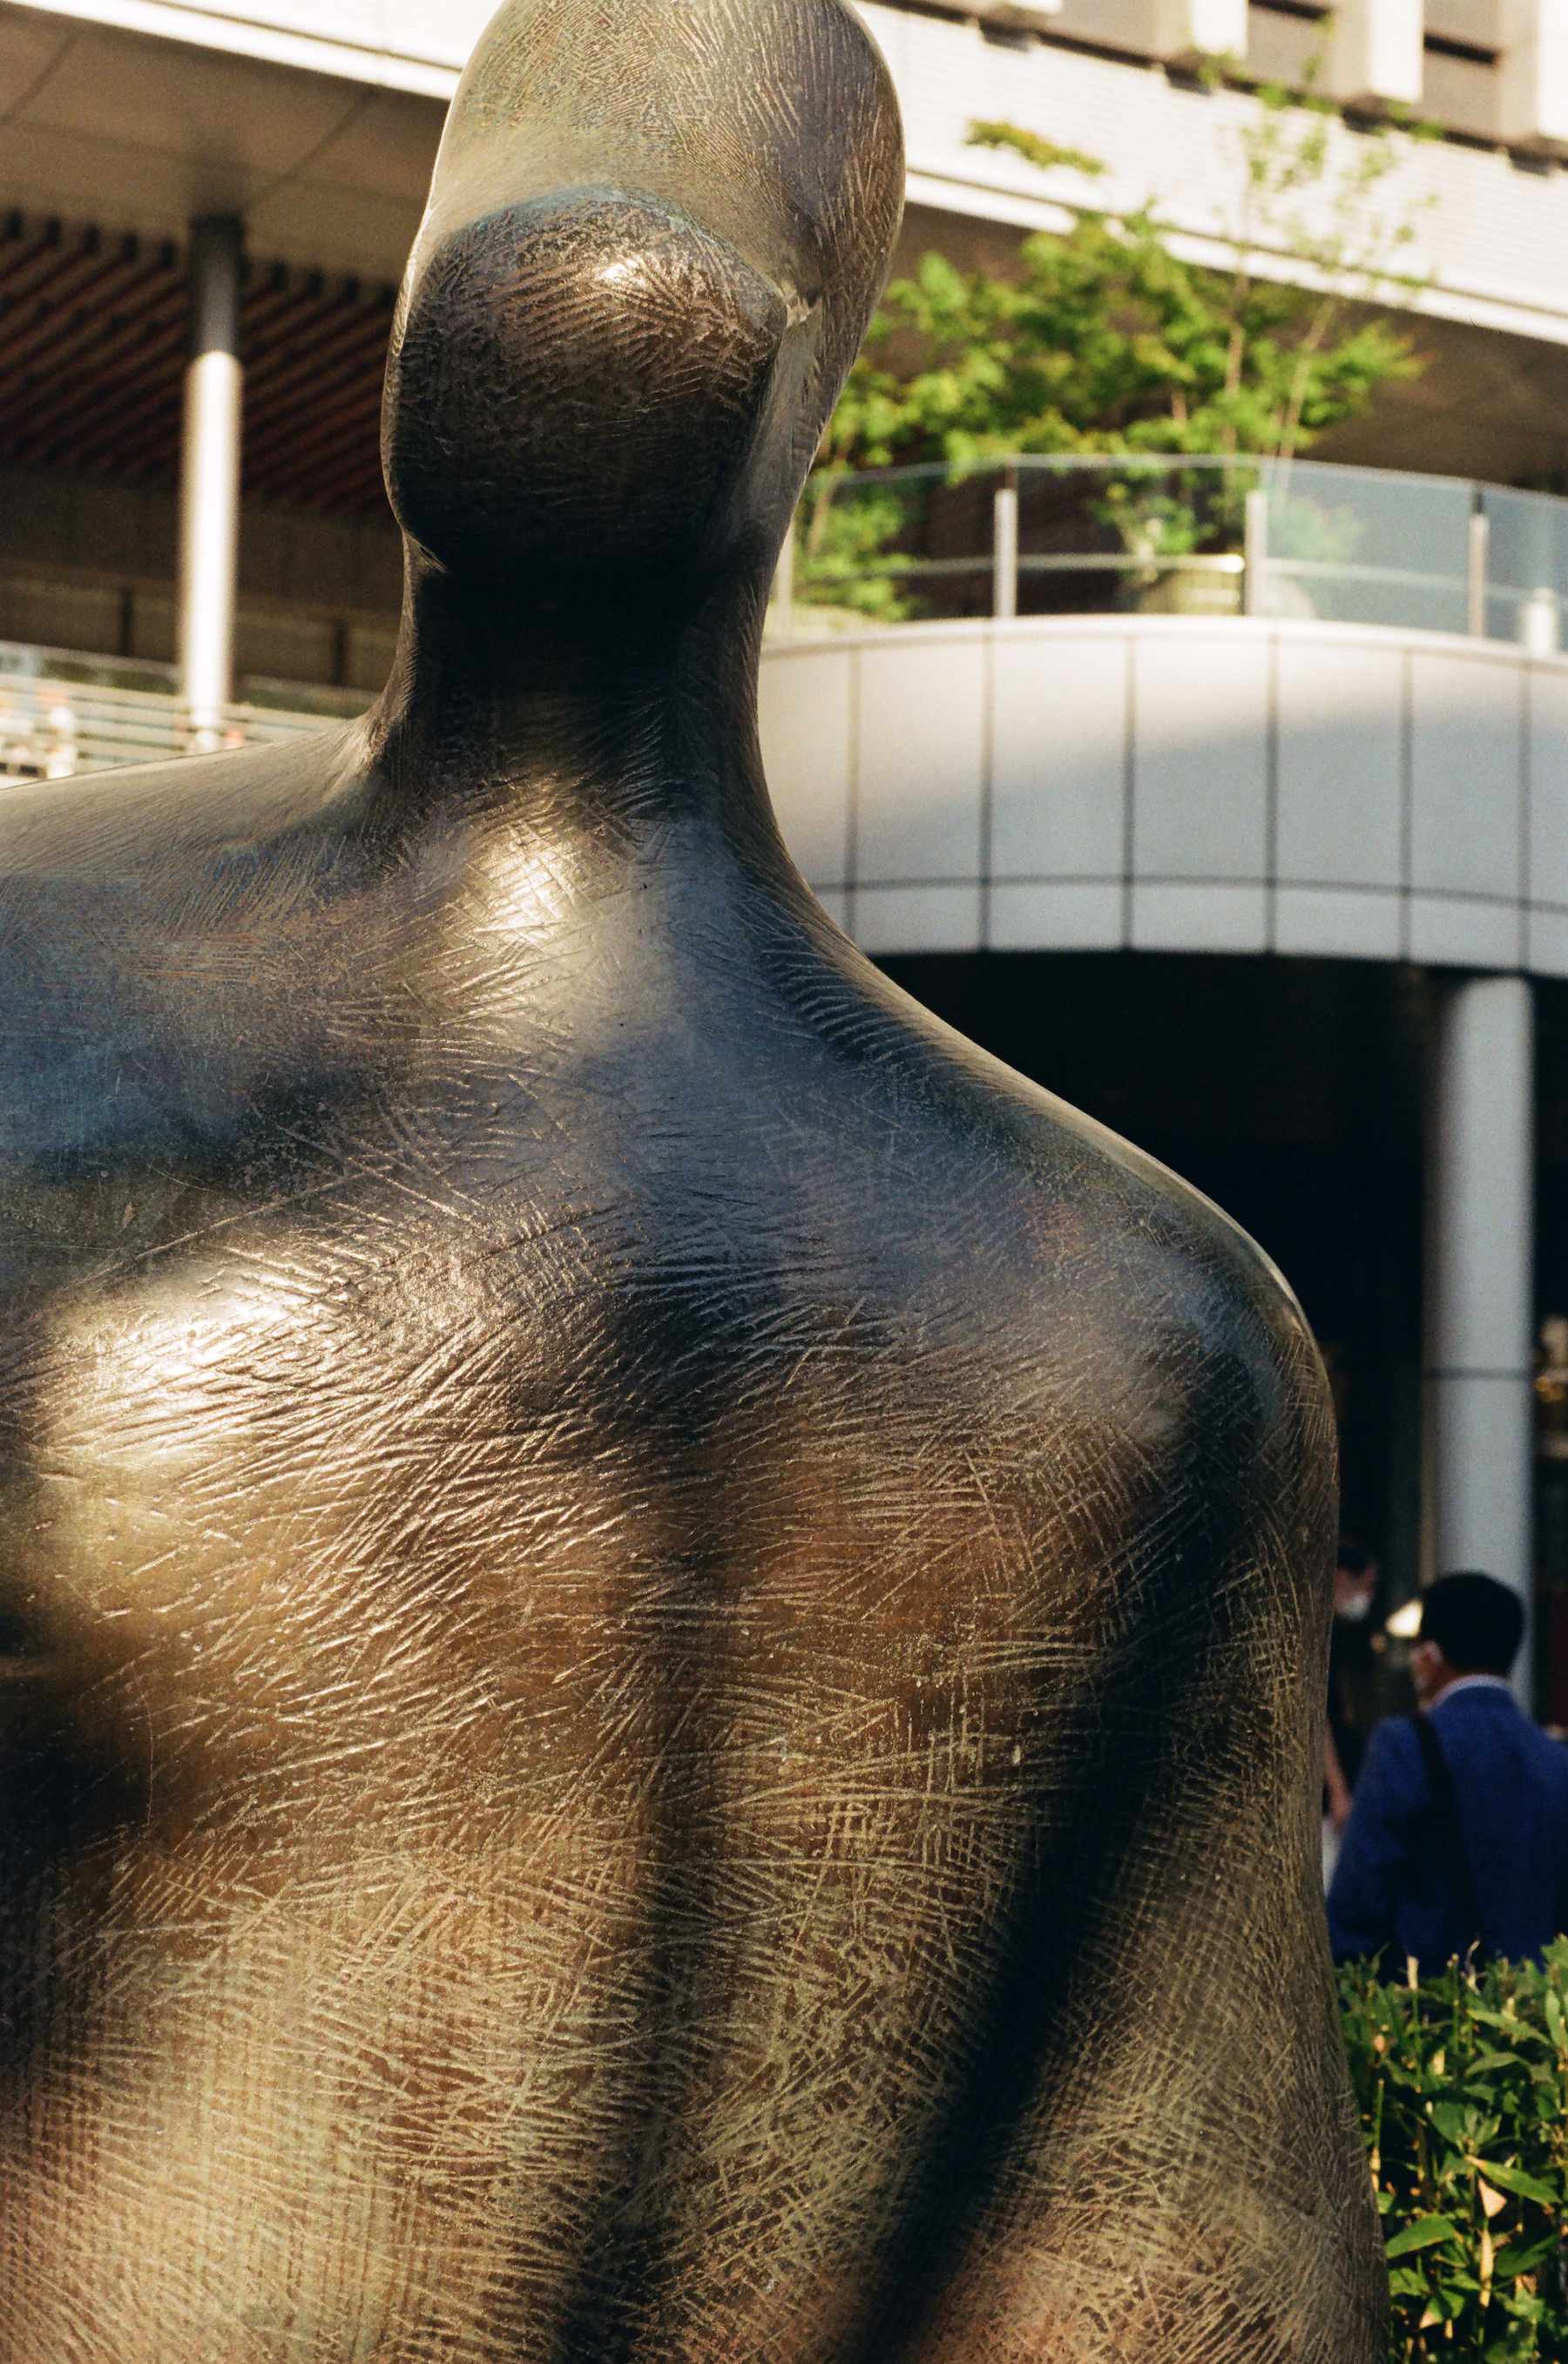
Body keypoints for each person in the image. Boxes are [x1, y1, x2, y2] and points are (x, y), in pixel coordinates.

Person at [1328, 1571, 1568, 1973]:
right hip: (1533, 2016)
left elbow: (1360, 1898)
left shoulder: (1405, 1745)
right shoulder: (1555, 1759)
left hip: (1427, 2018)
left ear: (1431, 1655)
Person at [1323, 1537, 1382, 1838]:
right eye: (1367, 1584)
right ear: (1343, 1577)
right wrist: (1337, 1789)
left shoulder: (1343, 1638)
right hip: (1329, 1801)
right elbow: (1319, 1719)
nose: (1369, 1596)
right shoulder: (1322, 1639)